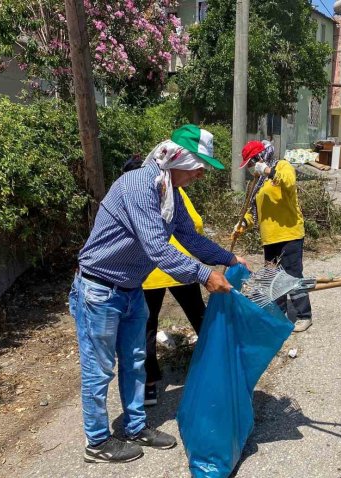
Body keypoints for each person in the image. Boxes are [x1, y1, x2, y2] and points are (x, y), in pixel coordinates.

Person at [69, 124, 247, 464]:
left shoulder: (169, 192)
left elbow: (188, 238)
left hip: (130, 289)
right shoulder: (139, 185)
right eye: (198, 169)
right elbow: (157, 249)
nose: (200, 176)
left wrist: (227, 257)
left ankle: (136, 427)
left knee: (136, 362)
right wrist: (204, 274)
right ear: (178, 159)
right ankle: (97, 441)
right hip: (99, 290)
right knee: (99, 369)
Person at [120, 157, 207, 408]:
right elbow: (196, 223)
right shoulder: (170, 190)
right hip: (180, 267)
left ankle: (149, 388)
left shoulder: (127, 195)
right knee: (199, 317)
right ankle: (218, 365)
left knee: (147, 327)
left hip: (147, 274)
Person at [233, 140, 313, 332]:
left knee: (292, 275)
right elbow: (253, 211)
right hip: (269, 238)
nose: (251, 168)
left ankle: (304, 315)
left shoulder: (282, 166)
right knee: (273, 278)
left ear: (260, 158)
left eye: (251, 163)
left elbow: (289, 183)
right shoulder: (256, 183)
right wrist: (242, 223)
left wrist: (268, 171)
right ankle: (279, 315)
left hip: (289, 233)